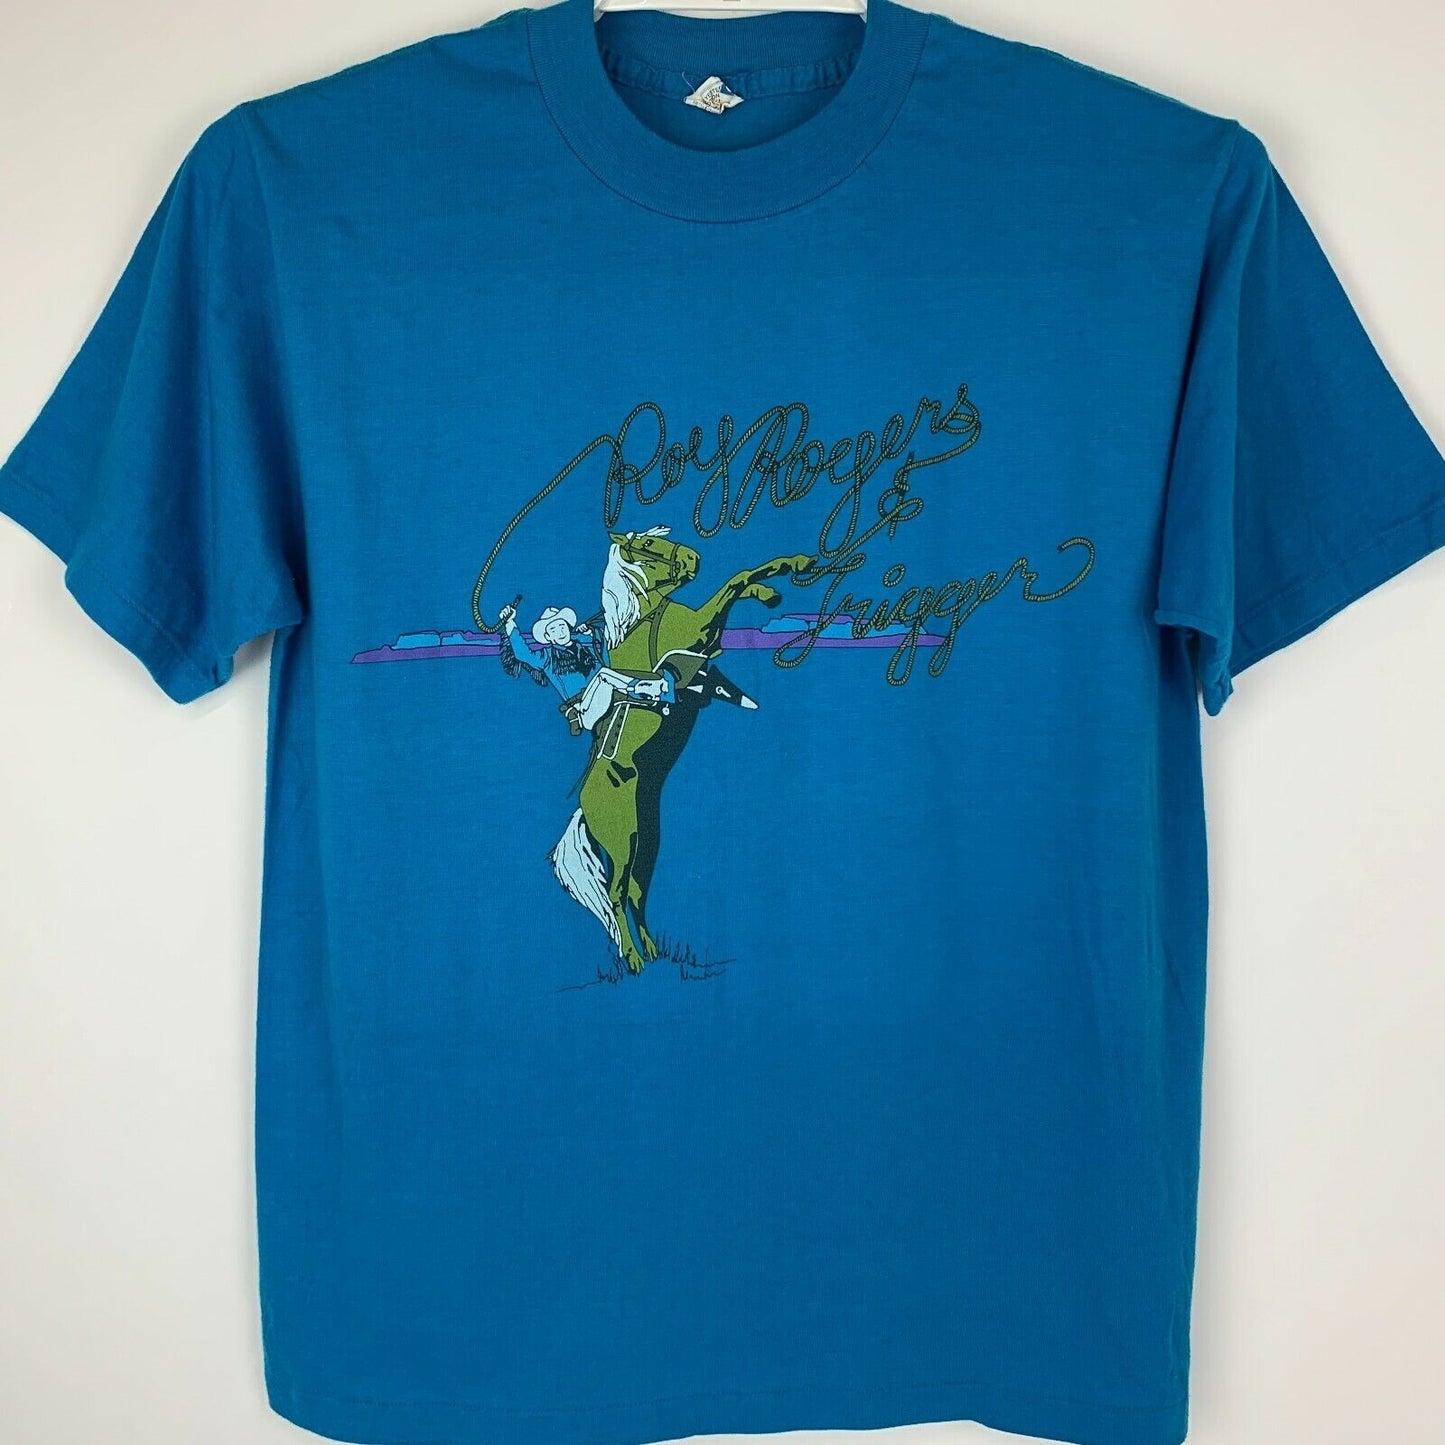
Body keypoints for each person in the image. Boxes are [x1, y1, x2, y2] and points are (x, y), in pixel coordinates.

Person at [498, 601, 670, 735]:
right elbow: (523, 654)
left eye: (562, 626)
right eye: (553, 629)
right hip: (584, 709)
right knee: (603, 676)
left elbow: (604, 657)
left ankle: (655, 691)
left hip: (604, 694)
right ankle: (643, 688)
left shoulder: (584, 643)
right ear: (548, 637)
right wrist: (510, 623)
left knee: (607, 674)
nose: (560, 632)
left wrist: (592, 633)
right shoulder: (547, 657)